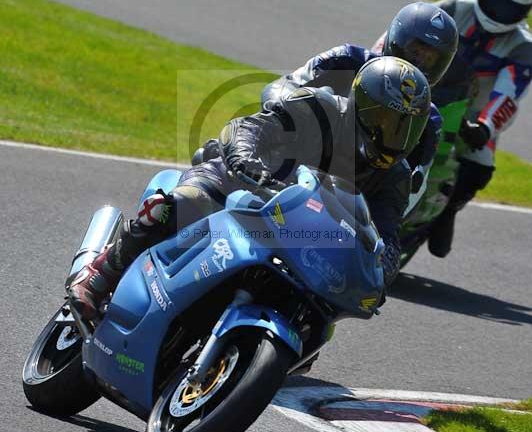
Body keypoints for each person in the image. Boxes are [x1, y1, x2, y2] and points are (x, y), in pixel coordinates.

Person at [69, 56, 431, 322]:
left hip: (300, 231)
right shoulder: (318, 107)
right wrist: (247, 163)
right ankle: (102, 274)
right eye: (386, 121)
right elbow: (249, 128)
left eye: (405, 128)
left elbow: (387, 233)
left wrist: (382, 270)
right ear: (362, 106)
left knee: (326, 304)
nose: (393, 136)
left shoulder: (394, 177)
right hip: (239, 185)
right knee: (180, 205)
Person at [196, 2, 458, 199]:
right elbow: (281, 87)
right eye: (415, 51)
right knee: (218, 156)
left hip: (353, 194)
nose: (419, 62)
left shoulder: (428, 115)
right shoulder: (346, 58)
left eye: (430, 58)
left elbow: (414, 183)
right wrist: (298, 108)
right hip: (298, 158)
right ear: (396, 40)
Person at [427, 0, 532, 257]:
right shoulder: (452, 8)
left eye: (508, 8)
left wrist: (485, 127)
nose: (498, 12)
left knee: (481, 164)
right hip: (421, 92)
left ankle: (447, 211)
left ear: (524, 11)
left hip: (470, 121)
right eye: (494, 2)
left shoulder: (524, 46)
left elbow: (509, 94)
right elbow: (401, 35)